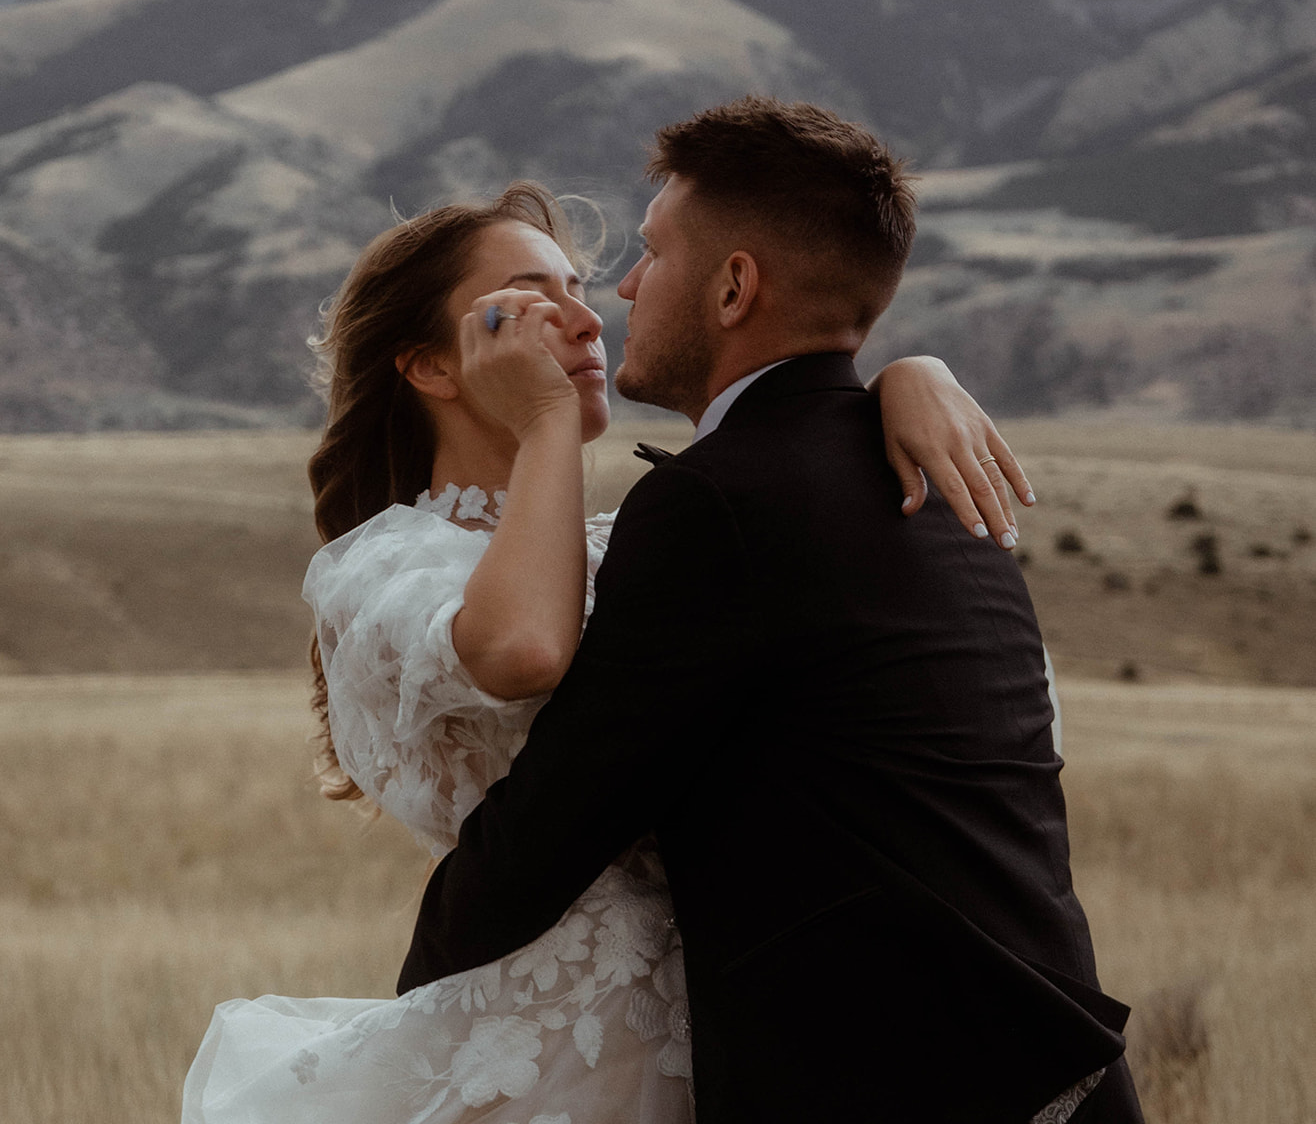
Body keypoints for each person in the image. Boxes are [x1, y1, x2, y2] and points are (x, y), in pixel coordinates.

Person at [181, 174, 1035, 1124]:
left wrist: (907, 376)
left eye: (580, 288)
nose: (586, 319)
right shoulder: (383, 568)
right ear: (431, 367)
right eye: (529, 300)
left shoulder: (641, 537)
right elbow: (524, 651)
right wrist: (547, 422)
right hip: (559, 1065)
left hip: (749, 1043)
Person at [397, 100, 1144, 1123]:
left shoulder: (718, 504)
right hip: (1064, 1070)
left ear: (733, 285)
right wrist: (906, 370)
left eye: (651, 253)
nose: (623, 286)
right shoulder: (936, 482)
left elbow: (546, 831)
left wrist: (404, 1042)